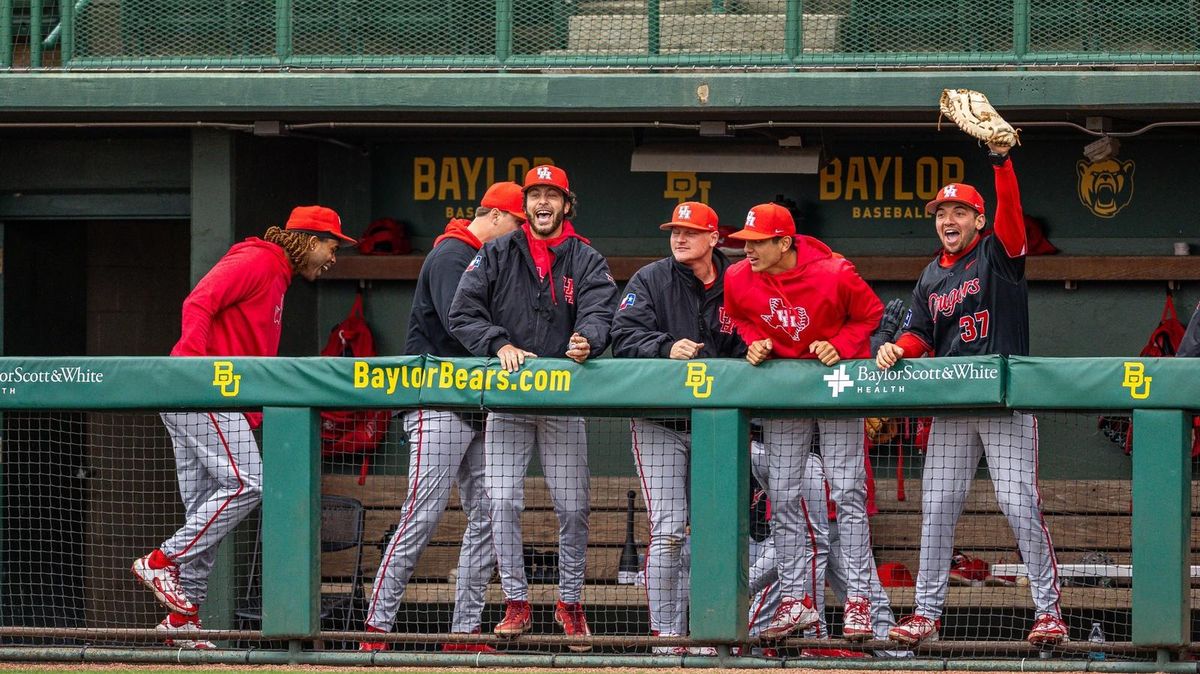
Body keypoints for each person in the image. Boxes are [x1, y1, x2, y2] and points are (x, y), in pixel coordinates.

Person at [132, 205, 353, 649]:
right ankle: (161, 560)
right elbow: (198, 301)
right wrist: (196, 373)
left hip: (208, 394)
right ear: (310, 240)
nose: (334, 257)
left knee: (204, 510)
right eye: (332, 245)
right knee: (248, 484)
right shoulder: (258, 258)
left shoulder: (279, 273)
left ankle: (183, 620)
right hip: (204, 386)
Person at [875, 142, 1067, 647]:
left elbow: (1011, 212)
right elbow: (920, 333)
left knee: (1017, 501)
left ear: (979, 220)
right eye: (941, 212)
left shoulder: (997, 252)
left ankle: (1049, 612)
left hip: (1005, 400)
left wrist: (1002, 162)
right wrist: (899, 349)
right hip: (954, 406)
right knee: (936, 507)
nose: (948, 219)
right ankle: (925, 614)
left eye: (959, 211)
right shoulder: (930, 275)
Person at [449, 165, 617, 650]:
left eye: (552, 195)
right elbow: (463, 312)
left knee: (574, 506)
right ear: (525, 205)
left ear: (567, 204)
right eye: (535, 194)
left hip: (562, 399)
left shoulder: (584, 257)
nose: (543, 202)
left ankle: (569, 601)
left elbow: (601, 310)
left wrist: (590, 340)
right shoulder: (498, 251)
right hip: (510, 399)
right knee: (499, 500)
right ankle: (516, 601)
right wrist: (497, 341)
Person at [359, 182, 526, 652]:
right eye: (516, 224)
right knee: (422, 514)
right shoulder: (455, 252)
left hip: (474, 406)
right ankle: (375, 629)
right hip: (436, 401)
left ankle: (464, 631)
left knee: (489, 516)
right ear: (494, 216)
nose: (517, 235)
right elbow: (461, 322)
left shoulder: (482, 257)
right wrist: (506, 340)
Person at [722, 202, 883, 642]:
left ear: (784, 242)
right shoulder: (738, 277)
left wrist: (842, 343)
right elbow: (738, 316)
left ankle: (859, 601)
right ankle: (796, 599)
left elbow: (871, 315)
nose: (747, 251)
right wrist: (756, 341)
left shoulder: (835, 272)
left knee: (848, 490)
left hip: (834, 386)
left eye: (757, 244)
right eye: (744, 243)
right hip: (787, 389)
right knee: (784, 492)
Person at [610, 201, 745, 654]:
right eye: (674, 231)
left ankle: (708, 632)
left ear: (714, 238)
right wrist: (664, 346)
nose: (680, 238)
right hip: (659, 421)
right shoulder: (651, 278)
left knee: (714, 531)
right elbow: (622, 337)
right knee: (669, 528)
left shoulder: (741, 279)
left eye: (690, 231)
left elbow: (759, 335)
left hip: (717, 424)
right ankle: (666, 638)